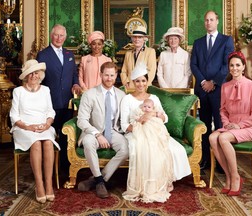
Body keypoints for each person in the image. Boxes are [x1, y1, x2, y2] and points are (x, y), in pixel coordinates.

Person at [121, 62, 191, 203]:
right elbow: (124, 125)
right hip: (136, 132)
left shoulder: (154, 98)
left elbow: (165, 118)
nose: (140, 84)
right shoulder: (127, 99)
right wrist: (140, 124)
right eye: (137, 81)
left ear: (147, 82)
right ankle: (145, 185)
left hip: (156, 131)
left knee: (173, 148)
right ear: (133, 82)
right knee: (144, 149)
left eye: (143, 81)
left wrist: (157, 115)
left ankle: (163, 182)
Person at [209, 51, 252, 196]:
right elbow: (223, 110)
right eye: (231, 65)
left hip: (248, 127)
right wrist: (226, 124)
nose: (234, 68)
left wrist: (239, 125)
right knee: (212, 137)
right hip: (230, 126)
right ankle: (229, 176)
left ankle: (236, 177)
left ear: (243, 67)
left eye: (238, 65)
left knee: (223, 138)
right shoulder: (225, 86)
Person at [10, 59, 60, 204]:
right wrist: (28, 127)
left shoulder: (46, 90)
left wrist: (47, 124)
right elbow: (14, 115)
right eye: (30, 73)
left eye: (36, 73)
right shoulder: (18, 91)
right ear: (26, 76)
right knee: (36, 143)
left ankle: (49, 185)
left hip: (44, 126)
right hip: (23, 128)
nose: (33, 76)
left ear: (40, 75)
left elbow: (51, 111)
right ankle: (39, 185)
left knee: (48, 143)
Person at [76, 62, 129, 199]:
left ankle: (97, 179)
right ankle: (100, 182)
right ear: (100, 75)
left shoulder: (121, 94)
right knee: (88, 142)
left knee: (126, 149)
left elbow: (125, 118)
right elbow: (81, 120)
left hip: (113, 131)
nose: (109, 78)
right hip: (94, 131)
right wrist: (98, 134)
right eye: (106, 75)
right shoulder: (89, 94)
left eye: (112, 75)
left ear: (116, 76)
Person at [190, 11, 234, 170]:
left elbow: (227, 65)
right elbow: (193, 65)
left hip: (219, 90)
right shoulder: (198, 42)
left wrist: (213, 82)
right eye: (206, 20)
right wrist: (203, 82)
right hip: (202, 90)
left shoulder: (226, 40)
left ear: (217, 21)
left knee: (221, 124)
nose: (208, 22)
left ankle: (222, 163)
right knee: (204, 126)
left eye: (211, 20)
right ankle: (205, 160)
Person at [36, 24, 81, 175]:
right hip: (50, 102)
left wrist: (75, 83)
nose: (59, 38)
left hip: (66, 102)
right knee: (49, 135)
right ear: (51, 35)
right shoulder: (43, 55)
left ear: (65, 37)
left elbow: (74, 73)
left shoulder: (69, 54)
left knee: (65, 135)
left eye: (62, 36)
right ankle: (49, 167)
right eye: (56, 35)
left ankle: (64, 166)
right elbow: (38, 79)